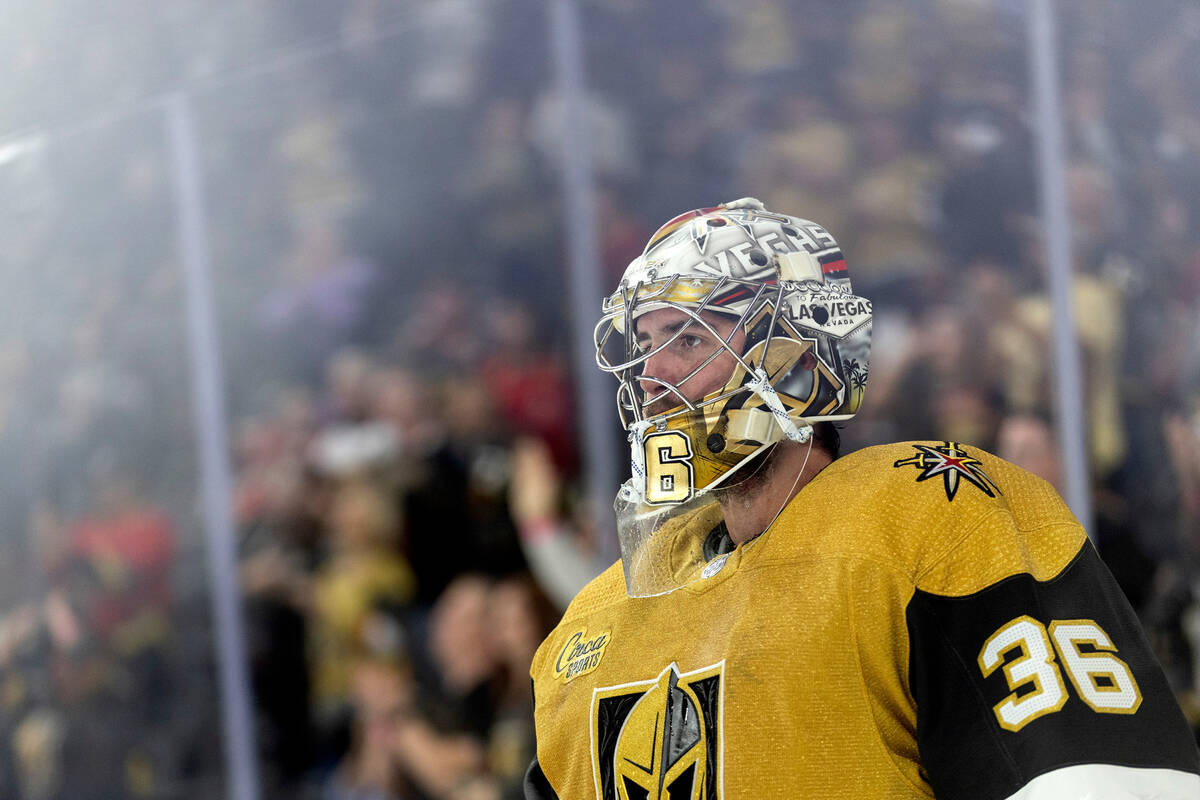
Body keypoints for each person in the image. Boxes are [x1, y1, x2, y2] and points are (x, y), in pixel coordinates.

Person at [523, 198, 1200, 799]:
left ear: (797, 356)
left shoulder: (930, 511)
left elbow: (1095, 780)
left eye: (689, 338)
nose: (650, 377)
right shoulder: (593, 624)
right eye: (644, 346)